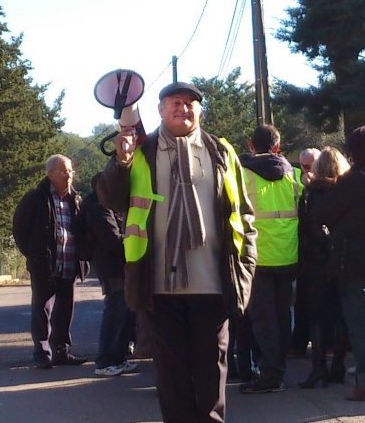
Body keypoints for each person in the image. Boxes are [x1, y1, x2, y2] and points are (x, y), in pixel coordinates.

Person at [97, 81, 258, 423]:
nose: (183, 108)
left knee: (212, 383)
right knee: (171, 384)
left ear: (200, 110)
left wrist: (244, 275)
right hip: (159, 288)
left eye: (190, 103)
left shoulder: (221, 151)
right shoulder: (141, 151)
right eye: (175, 102)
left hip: (213, 286)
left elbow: (244, 215)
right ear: (160, 109)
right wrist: (121, 161)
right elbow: (110, 199)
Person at [313, 126, 365, 402]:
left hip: (355, 261)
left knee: (358, 325)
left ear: (352, 150)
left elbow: (323, 212)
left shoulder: (352, 180)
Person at [237, 124, 301, 394]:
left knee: (263, 320)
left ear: (251, 144)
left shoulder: (242, 174)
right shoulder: (295, 174)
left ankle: (271, 375)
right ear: (277, 146)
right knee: (282, 315)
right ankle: (277, 369)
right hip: (288, 255)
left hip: (257, 257)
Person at [11, 155, 89, 369]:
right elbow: (20, 229)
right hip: (45, 265)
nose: (69, 175)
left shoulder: (76, 199)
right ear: (50, 174)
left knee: (65, 310)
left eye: (71, 171)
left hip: (70, 263)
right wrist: (34, 256)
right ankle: (42, 353)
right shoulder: (36, 199)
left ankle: (61, 352)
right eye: (64, 171)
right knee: (42, 310)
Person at [295, 147, 350, 389]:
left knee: (318, 316)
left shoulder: (309, 195)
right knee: (340, 315)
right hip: (343, 261)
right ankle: (338, 364)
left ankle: (319, 367)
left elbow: (304, 231)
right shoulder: (347, 192)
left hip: (316, 263)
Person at [82, 173, 139, 377]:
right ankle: (106, 360)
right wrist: (136, 242)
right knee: (116, 312)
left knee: (124, 313)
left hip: (116, 267)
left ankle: (119, 357)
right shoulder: (99, 206)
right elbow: (112, 239)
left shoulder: (103, 205)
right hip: (112, 268)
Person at [290, 146, 323, 356]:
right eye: (304, 166)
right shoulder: (298, 185)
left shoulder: (323, 189)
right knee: (302, 302)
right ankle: (299, 343)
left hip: (318, 254)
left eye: (311, 166)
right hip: (302, 252)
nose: (307, 171)